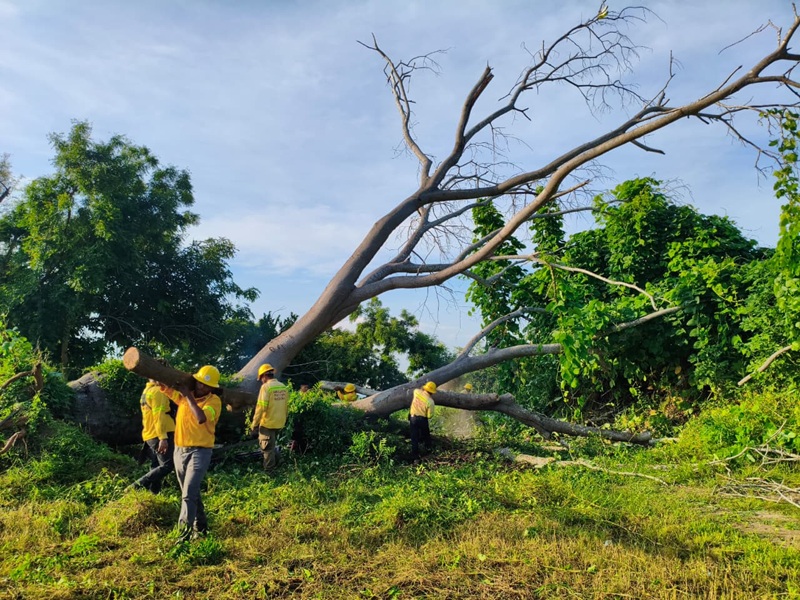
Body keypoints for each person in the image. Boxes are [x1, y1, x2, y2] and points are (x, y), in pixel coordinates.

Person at [166, 365, 222, 543]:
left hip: (200, 452)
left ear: (212, 388)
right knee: (190, 492)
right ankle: (202, 526)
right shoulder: (183, 399)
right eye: (199, 383)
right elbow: (165, 387)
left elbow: (200, 418)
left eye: (206, 385)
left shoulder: (214, 402)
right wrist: (159, 373)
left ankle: (183, 535)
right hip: (179, 450)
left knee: (188, 493)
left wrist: (188, 395)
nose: (201, 387)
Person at [133, 379, 175, 493]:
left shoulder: (147, 390)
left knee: (156, 465)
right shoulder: (157, 391)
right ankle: (136, 486)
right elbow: (159, 415)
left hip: (150, 433)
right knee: (167, 465)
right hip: (160, 433)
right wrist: (163, 437)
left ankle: (154, 493)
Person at [250, 363, 290, 471]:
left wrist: (254, 424)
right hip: (279, 422)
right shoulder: (283, 386)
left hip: (268, 423)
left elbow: (261, 408)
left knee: (267, 448)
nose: (261, 381)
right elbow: (286, 406)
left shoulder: (266, 387)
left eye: (261, 378)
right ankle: (280, 464)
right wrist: (284, 419)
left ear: (264, 376)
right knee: (272, 445)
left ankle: (270, 472)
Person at [409, 381, 436, 460]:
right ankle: (428, 451)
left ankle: (415, 456)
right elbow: (429, 416)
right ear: (432, 392)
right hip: (422, 419)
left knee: (414, 437)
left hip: (413, 418)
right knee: (426, 435)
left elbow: (417, 389)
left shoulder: (416, 392)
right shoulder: (430, 401)